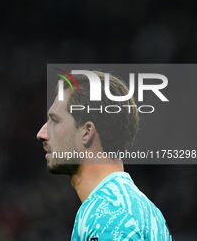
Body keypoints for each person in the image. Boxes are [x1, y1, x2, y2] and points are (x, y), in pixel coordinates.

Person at [36, 71, 172, 241]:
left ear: (86, 132)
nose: (41, 134)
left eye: (55, 121)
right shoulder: (147, 210)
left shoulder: (106, 213)